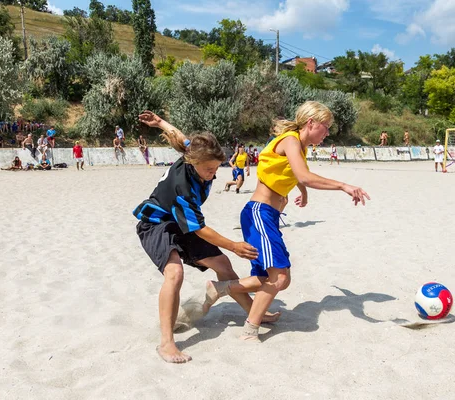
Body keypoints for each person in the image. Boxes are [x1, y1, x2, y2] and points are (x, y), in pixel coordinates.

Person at [203, 101, 370, 342]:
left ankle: (222, 290)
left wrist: (302, 190)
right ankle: (250, 329)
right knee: (278, 277)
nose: (327, 133)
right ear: (310, 123)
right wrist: (343, 185)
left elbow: (294, 173)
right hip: (259, 214)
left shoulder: (299, 147)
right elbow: (303, 174)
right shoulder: (291, 140)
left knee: (280, 278)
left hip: (267, 216)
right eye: (325, 127)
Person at [133, 110, 276, 363]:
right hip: (156, 225)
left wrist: (160, 123)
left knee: (222, 265)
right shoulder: (183, 187)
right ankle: (166, 343)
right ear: (193, 163)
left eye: (216, 167)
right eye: (209, 169)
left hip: (178, 223)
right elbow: (199, 228)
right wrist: (233, 245)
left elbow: (182, 139)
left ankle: (254, 312)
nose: (213, 173)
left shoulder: (194, 153)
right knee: (175, 273)